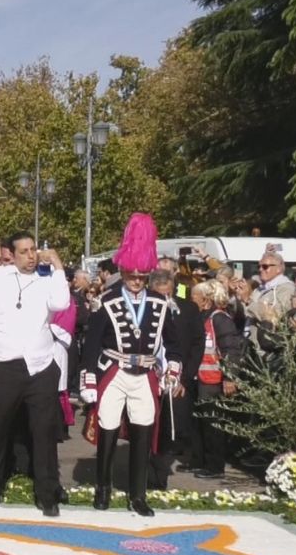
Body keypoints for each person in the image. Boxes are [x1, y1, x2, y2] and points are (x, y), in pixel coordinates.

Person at [0, 231, 69, 516]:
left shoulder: (46, 279)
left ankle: (47, 491)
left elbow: (61, 304)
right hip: (2, 367)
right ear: (12, 255)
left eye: (33, 250)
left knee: (43, 431)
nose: (31, 256)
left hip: (39, 366)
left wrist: (57, 265)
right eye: (24, 252)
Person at [80, 214, 183, 517]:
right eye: (132, 276)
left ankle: (138, 495)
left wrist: (173, 370)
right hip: (114, 372)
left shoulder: (161, 303)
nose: (137, 281)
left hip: (146, 374)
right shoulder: (106, 301)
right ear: (123, 271)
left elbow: (173, 344)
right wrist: (87, 379)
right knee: (107, 429)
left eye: (142, 276)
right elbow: (92, 345)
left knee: (143, 433)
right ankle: (103, 488)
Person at [147, 269, 203, 491]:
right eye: (160, 295)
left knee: (171, 430)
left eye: (168, 294)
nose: (164, 299)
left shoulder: (188, 309)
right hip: (148, 378)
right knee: (146, 427)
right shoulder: (143, 309)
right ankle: (147, 474)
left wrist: (184, 378)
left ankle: (159, 477)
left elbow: (197, 344)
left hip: (177, 382)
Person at [185, 279, 244, 479]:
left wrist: (230, 376)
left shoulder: (220, 319)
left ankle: (214, 466)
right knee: (197, 421)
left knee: (212, 424)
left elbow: (230, 349)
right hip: (198, 376)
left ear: (206, 300)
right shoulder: (201, 317)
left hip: (214, 378)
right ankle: (197, 460)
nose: (191, 300)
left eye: (194, 297)